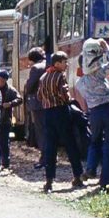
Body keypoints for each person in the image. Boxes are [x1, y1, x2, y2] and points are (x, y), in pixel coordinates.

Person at [75, 38, 109, 188]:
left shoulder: (79, 84)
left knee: (94, 142)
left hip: (94, 113)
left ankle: (90, 168)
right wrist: (106, 48)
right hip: (108, 108)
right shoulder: (99, 73)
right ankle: (107, 180)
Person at [37, 51, 83, 192]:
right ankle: (77, 176)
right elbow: (65, 95)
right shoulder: (59, 76)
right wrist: (69, 101)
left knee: (50, 147)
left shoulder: (44, 77)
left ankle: (49, 181)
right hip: (61, 112)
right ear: (57, 64)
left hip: (48, 113)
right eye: (64, 62)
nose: (67, 64)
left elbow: (39, 96)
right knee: (70, 144)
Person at [0, 69, 22, 171]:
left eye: (0, 79)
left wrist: (10, 104)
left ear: (5, 80)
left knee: (4, 141)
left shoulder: (10, 90)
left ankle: (5, 162)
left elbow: (19, 99)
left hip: (6, 119)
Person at [24, 47, 48, 168]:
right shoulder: (49, 64)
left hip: (38, 104)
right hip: (50, 103)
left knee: (41, 131)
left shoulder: (36, 68)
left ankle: (44, 158)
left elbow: (30, 86)